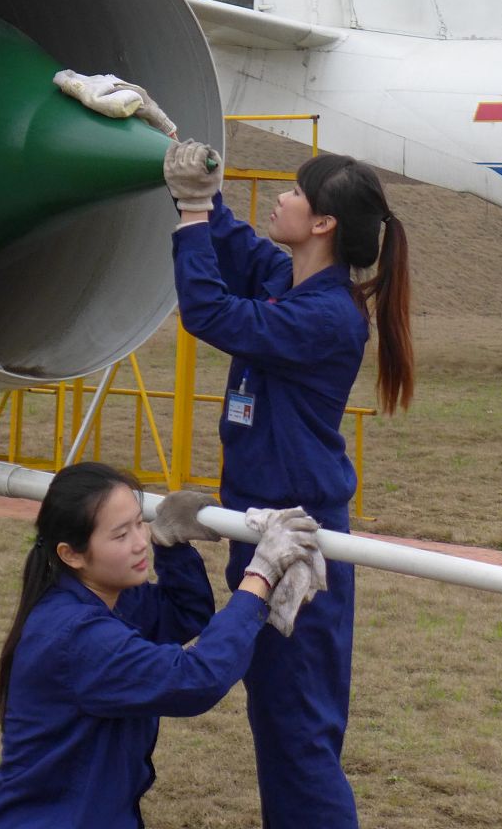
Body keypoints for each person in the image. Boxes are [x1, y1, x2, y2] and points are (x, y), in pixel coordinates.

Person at [164, 141, 414, 829]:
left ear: (325, 223)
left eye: (295, 193)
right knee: (276, 718)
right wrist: (200, 186)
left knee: (297, 730)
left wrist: (189, 211)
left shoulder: (326, 316)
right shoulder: (293, 281)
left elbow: (210, 313)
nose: (279, 198)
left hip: (296, 539)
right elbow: (239, 250)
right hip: (258, 525)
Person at [0, 461, 320, 829]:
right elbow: (196, 679)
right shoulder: (75, 637)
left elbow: (182, 614)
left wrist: (169, 545)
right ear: (71, 554)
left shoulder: (101, 599)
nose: (139, 541)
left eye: (139, 523)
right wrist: (260, 576)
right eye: (120, 535)